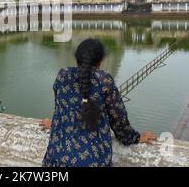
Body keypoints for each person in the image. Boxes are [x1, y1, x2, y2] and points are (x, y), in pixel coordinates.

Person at [40, 38, 156, 167]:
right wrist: (135, 138)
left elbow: (61, 108)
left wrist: (55, 123)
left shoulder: (62, 75)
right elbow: (118, 120)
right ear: (100, 62)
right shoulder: (104, 81)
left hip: (55, 159)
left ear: (77, 59)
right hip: (93, 160)